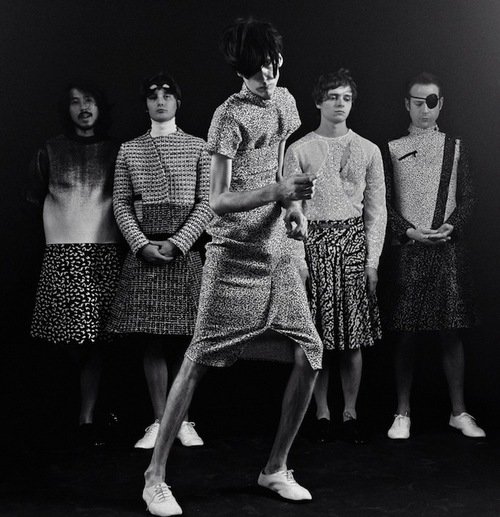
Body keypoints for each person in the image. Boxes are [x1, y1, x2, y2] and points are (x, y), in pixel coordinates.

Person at [141, 18, 323, 516]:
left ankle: (275, 468)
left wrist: (293, 207)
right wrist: (277, 192)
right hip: (233, 255)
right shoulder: (227, 117)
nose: (267, 77)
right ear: (240, 70)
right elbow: (217, 199)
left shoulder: (285, 102)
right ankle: (154, 477)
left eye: (272, 66)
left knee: (310, 352)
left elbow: (279, 165)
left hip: (277, 252)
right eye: (256, 70)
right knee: (197, 359)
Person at [107, 72, 212, 449]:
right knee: (150, 340)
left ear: (178, 102)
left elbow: (208, 202)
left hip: (183, 252)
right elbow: (120, 202)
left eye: (168, 95)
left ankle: (182, 420)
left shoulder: (199, 146)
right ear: (146, 104)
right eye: (153, 96)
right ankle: (159, 420)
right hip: (145, 252)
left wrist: (179, 242)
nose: (161, 101)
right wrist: (141, 244)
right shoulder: (130, 149)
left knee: (188, 339)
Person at [284, 69, 386, 444]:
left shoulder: (368, 150)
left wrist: (372, 262)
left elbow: (376, 212)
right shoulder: (299, 150)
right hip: (314, 243)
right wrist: (299, 262)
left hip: (353, 244)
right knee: (317, 337)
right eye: (332, 97)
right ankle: (322, 412)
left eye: (346, 98)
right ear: (318, 102)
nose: (340, 104)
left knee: (352, 336)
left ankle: (350, 412)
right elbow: (291, 211)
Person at [384, 72, 486, 440]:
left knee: (451, 332)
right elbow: (384, 202)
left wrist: (451, 227)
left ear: (440, 104)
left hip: (447, 250)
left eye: (431, 102)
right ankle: (402, 412)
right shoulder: (392, 148)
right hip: (410, 251)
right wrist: (408, 231)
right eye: (418, 102)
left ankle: (459, 412)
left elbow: (469, 196)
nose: (424, 109)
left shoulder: (455, 146)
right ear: (406, 104)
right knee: (406, 333)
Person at [27, 82, 122, 445]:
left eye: (90, 100)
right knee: (63, 341)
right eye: (75, 102)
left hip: (103, 254)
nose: (83, 107)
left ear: (100, 106)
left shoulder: (117, 151)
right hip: (62, 256)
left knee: (99, 341)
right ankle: (66, 413)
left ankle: (88, 418)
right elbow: (34, 199)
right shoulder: (50, 149)